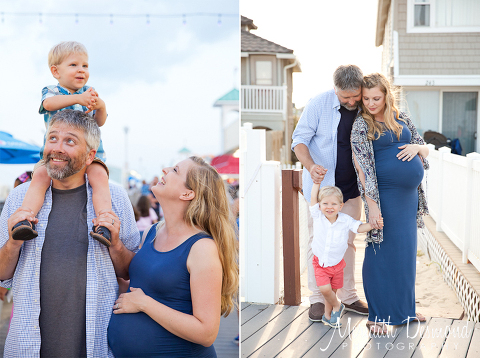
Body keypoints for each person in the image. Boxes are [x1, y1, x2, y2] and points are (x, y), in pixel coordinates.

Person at [0, 109, 140, 357]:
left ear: (90, 155)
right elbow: (1, 273)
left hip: (96, 343)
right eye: (52, 138)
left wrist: (116, 245)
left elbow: (130, 272)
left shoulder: (115, 198)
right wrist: (12, 243)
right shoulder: (20, 199)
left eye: (70, 141)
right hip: (27, 344)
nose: (57, 148)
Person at [108, 156, 238, 358]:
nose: (166, 169)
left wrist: (145, 304)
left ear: (187, 193)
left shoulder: (201, 248)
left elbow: (207, 333)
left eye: (176, 170)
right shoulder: (153, 232)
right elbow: (137, 283)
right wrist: (115, 244)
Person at [11, 41, 113, 247]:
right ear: (56, 71)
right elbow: (48, 104)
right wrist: (78, 98)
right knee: (39, 176)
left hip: (89, 155)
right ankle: (25, 218)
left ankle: (104, 222)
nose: (81, 70)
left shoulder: (90, 92)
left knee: (100, 176)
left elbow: (99, 121)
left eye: (85, 66)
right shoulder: (52, 91)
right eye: (74, 65)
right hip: (55, 157)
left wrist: (101, 106)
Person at [351, 73, 429, 334]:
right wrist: (372, 207)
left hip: (408, 198)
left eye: (376, 98)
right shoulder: (361, 124)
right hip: (383, 196)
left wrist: (417, 149)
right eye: (366, 99)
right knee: (380, 251)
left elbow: (423, 146)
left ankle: (404, 310)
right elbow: (363, 168)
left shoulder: (401, 117)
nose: (371, 103)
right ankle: (378, 314)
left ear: (386, 95)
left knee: (405, 252)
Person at [291, 64, 368, 322]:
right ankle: (317, 299)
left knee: (347, 242)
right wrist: (311, 166)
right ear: (335, 89)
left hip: (352, 189)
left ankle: (347, 296)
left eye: (354, 96)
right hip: (323, 192)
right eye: (344, 96)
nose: (350, 101)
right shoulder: (318, 104)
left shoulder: (364, 104)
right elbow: (299, 140)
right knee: (319, 243)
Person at [310, 184, 382, 328]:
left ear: (341, 206)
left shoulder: (345, 220)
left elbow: (359, 228)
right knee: (325, 289)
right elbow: (313, 198)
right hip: (321, 263)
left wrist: (372, 225)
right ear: (319, 205)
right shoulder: (318, 216)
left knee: (332, 291)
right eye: (325, 203)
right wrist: (316, 183)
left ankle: (328, 316)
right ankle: (338, 305)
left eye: (333, 204)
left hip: (337, 265)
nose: (329, 207)